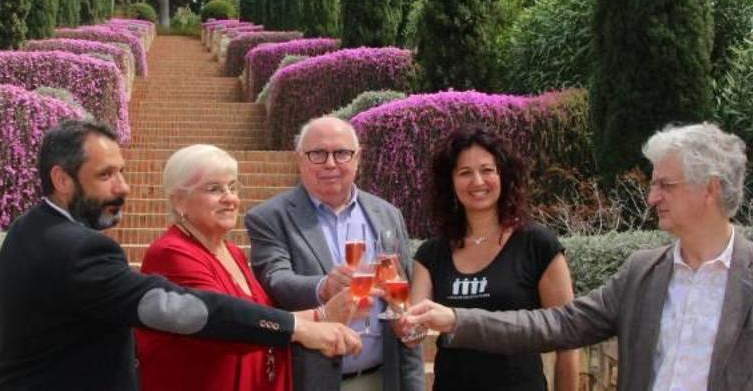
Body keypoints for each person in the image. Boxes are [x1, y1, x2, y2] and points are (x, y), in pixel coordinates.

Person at [0, 120, 361, 390]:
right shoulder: (80, 248)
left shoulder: (30, 228)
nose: (124, 187)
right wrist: (301, 327)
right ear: (62, 180)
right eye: (105, 176)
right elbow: (181, 308)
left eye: (122, 172)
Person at [405, 122, 753, 391]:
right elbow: (559, 324)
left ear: (710, 189)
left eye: (665, 185)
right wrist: (456, 320)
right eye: (653, 185)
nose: (651, 197)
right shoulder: (642, 272)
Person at [136, 144, 358, 391]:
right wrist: (319, 318)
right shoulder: (171, 253)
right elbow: (226, 322)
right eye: (214, 189)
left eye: (232, 187)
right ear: (179, 201)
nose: (230, 198)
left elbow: (256, 317)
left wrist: (324, 315)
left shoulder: (233, 252)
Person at [246, 116, 425, 391]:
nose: (330, 163)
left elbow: (403, 303)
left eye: (341, 153)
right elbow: (275, 278)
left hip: (382, 379)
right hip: (311, 381)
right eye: (317, 153)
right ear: (300, 159)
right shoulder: (270, 217)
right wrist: (324, 287)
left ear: (358, 158)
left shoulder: (387, 214)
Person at [406, 126, 579, 391]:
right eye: (465, 172)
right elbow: (412, 333)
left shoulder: (536, 244)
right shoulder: (431, 254)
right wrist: (400, 319)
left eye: (487, 170)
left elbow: (567, 337)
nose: (477, 181)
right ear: (450, 183)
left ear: (504, 176)